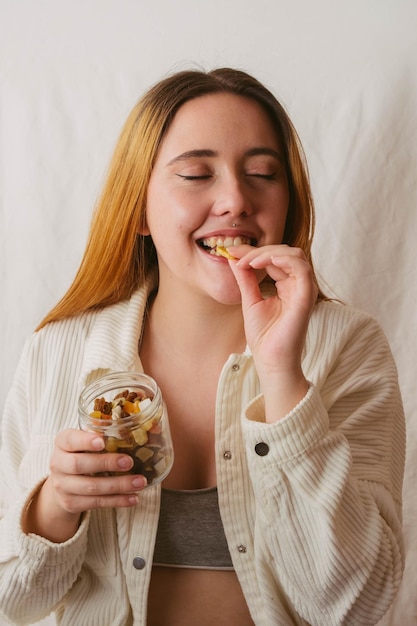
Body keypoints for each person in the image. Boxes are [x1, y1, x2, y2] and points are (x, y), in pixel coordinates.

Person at [0, 67, 405, 626]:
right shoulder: (56, 352)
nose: (236, 199)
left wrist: (285, 381)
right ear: (138, 209)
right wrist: (55, 507)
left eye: (263, 173)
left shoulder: (347, 345)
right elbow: (14, 601)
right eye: (195, 174)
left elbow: (360, 605)